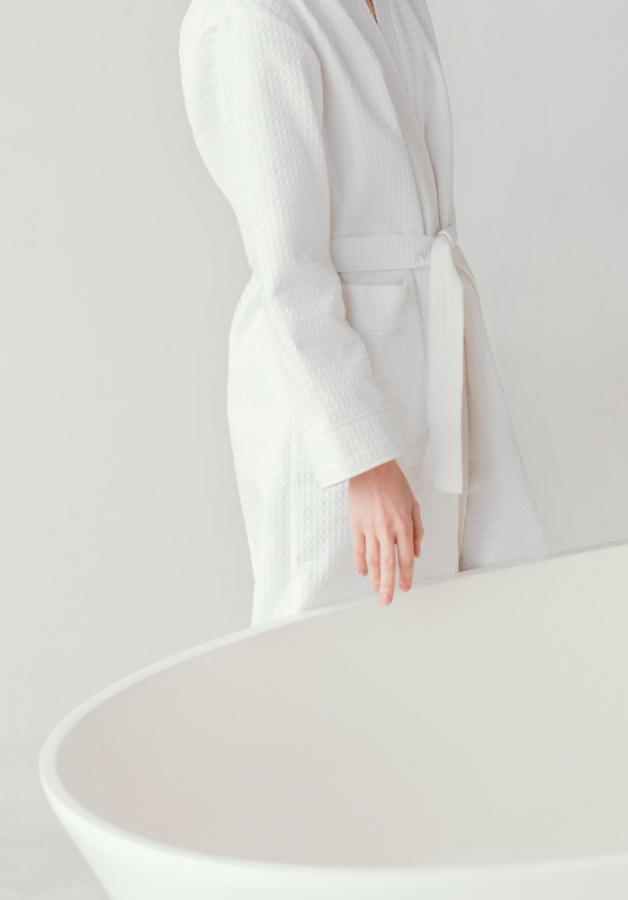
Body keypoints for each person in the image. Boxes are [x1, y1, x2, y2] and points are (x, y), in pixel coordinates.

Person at [179, 0, 546, 624]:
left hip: (430, 349)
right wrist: (363, 459)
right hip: (327, 392)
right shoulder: (253, 16)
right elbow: (288, 265)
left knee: (457, 624)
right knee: (329, 639)